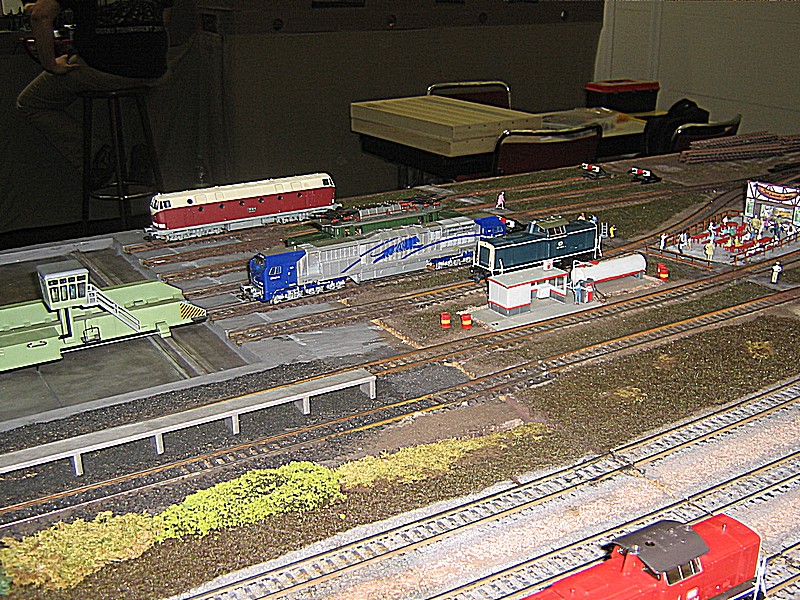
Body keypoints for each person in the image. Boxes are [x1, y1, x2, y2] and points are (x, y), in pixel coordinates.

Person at [16, 0, 173, 178]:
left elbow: (40, 15)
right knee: (137, 95)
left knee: (30, 103)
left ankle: (97, 157)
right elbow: (164, 18)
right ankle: (139, 158)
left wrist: (50, 64)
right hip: (154, 69)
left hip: (101, 67)